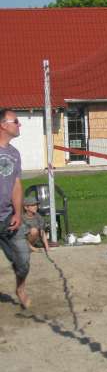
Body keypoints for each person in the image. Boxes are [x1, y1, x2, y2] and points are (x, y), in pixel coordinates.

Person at [0, 108, 31, 308]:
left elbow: (17, 184)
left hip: (8, 217)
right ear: (3, 125)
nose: (19, 125)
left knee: (23, 261)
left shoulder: (14, 153)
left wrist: (18, 213)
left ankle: (20, 287)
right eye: (16, 121)